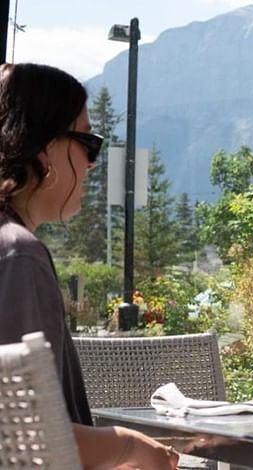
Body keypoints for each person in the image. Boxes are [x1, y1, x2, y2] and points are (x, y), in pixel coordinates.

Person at [0, 63, 179, 469]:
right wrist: (131, 446)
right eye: (88, 142)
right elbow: (26, 437)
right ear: (45, 147)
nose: (93, 163)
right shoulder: (18, 254)